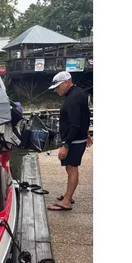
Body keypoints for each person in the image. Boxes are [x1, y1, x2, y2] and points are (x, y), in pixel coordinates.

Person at [46, 71, 91, 211]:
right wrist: (86, 132)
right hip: (78, 137)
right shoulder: (78, 93)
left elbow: (75, 123)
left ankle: (66, 202)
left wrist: (66, 145)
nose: (55, 90)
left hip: (74, 140)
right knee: (70, 167)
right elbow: (85, 115)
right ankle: (68, 195)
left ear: (66, 83)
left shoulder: (72, 99)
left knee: (72, 168)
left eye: (57, 87)